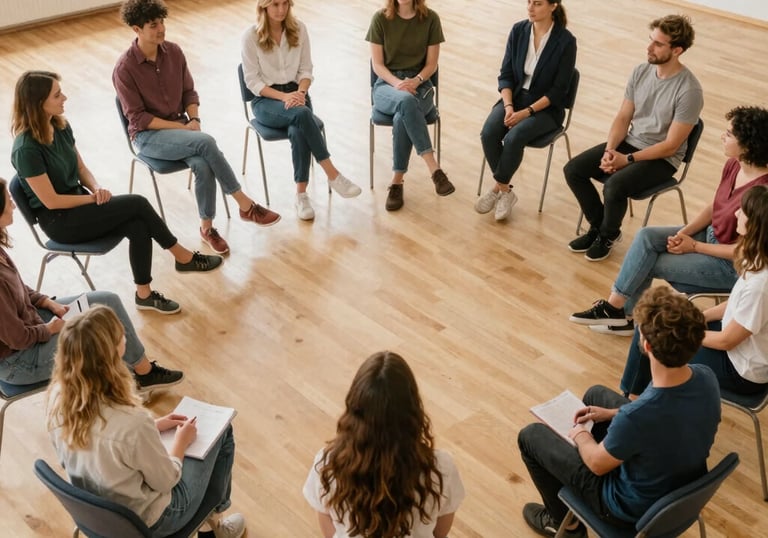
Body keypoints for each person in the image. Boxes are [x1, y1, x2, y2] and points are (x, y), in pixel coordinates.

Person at [10, 71, 222, 315]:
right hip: (60, 221)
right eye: (57, 95)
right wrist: (92, 198)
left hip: (81, 205)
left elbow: (81, 168)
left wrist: (96, 188)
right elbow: (51, 201)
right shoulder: (26, 149)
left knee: (137, 225)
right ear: (38, 103)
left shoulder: (60, 126)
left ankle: (144, 294)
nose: (65, 97)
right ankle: (182, 256)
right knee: (137, 203)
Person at [519, 286, 720, 537]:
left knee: (531, 436)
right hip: (680, 483)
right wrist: (611, 414)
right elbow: (661, 414)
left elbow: (597, 464)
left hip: (625, 510)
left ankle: (565, 526)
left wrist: (581, 435)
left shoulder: (637, 417)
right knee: (595, 394)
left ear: (646, 345)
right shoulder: (706, 377)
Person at [47, 305, 245, 538]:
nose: (125, 335)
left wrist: (154, 426)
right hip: (151, 522)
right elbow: (167, 481)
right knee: (222, 432)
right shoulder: (132, 422)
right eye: (120, 334)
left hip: (97, 516)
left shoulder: (56, 398)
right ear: (111, 354)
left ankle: (210, 523)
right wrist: (180, 442)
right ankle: (213, 528)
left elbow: (92, 449)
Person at [570, 106, 768, 336]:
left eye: (729, 134)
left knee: (648, 261)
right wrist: (684, 233)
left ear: (748, 146)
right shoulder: (734, 164)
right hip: (711, 235)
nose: (722, 136)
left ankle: (621, 314)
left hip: (731, 265)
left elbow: (747, 252)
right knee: (646, 237)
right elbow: (715, 206)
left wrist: (694, 246)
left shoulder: (762, 193)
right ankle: (618, 311)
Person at [114, 0, 279, 256]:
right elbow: (139, 119)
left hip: (182, 129)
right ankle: (245, 204)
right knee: (205, 142)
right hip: (148, 137)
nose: (161, 29)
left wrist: (195, 120)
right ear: (136, 29)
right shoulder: (124, 69)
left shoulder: (174, 52)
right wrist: (184, 128)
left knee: (202, 163)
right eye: (153, 25)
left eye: (162, 22)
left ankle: (206, 228)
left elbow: (189, 93)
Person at [0, 177, 182, 390]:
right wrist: (50, 329)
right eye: (8, 201)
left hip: (32, 321)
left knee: (107, 301)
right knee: (97, 332)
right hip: (22, 360)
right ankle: (129, 383)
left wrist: (47, 302)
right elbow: (18, 339)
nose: (14, 206)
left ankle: (142, 374)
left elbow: (19, 288)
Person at [564, 14, 703, 261]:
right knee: (573, 170)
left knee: (614, 185)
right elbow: (623, 117)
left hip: (662, 158)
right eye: (650, 40)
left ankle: (607, 235)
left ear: (677, 50)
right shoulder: (641, 72)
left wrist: (626, 160)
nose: (649, 48)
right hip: (631, 143)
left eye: (658, 44)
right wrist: (610, 151)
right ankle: (599, 226)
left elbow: (671, 146)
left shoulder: (689, 91)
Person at [621, 185, 768, 397]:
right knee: (652, 322)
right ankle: (635, 400)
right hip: (733, 345)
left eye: (742, 211)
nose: (736, 213)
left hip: (738, 371)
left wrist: (682, 333)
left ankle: (632, 404)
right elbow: (736, 303)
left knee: (654, 333)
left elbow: (727, 341)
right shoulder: (756, 257)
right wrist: (699, 318)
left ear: (756, 224)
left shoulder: (760, 284)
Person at [303, 351, 465, 537]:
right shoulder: (441, 467)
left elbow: (325, 518)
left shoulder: (328, 465)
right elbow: (440, 531)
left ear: (355, 407)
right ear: (413, 410)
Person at [241, 0, 362, 221]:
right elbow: (252, 82)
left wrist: (300, 93)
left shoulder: (299, 29)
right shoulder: (250, 36)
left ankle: (301, 195)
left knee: (299, 128)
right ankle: (333, 174)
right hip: (266, 101)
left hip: (298, 94)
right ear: (264, 7)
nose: (281, 10)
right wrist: (285, 97)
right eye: (275, 4)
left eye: (285, 4)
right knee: (303, 114)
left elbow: (306, 69)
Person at [477, 0, 576, 221]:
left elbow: (558, 91)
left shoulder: (566, 41)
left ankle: (497, 189)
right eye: (529, 2)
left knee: (514, 137)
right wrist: (509, 106)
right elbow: (506, 75)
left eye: (537, 3)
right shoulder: (518, 30)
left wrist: (526, 112)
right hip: (514, 99)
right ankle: (506, 191)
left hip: (546, 109)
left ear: (553, 6)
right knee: (489, 133)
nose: (530, 8)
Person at [365, 0, 455, 212]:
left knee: (402, 115)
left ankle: (396, 182)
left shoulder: (431, 19)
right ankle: (434, 169)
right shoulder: (379, 19)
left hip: (420, 86)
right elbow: (377, 65)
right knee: (405, 102)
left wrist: (416, 80)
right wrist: (398, 84)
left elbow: (431, 64)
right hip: (387, 86)